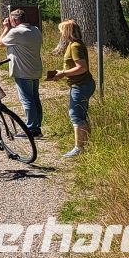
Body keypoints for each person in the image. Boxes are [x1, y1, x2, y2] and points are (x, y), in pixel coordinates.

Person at [46, 19, 95, 158]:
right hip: (81, 84)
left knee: (76, 116)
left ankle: (79, 148)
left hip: (81, 85)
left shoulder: (75, 46)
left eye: (61, 31)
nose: (60, 33)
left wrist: (64, 73)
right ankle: (85, 144)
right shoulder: (74, 44)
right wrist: (61, 71)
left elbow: (82, 68)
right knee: (81, 115)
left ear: (67, 32)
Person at [0, 8, 43, 138]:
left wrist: (6, 28)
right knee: (35, 99)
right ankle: (37, 127)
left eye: (11, 20)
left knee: (27, 100)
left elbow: (1, 43)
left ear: (15, 20)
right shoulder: (35, 30)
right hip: (35, 69)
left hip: (23, 71)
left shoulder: (16, 32)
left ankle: (31, 129)